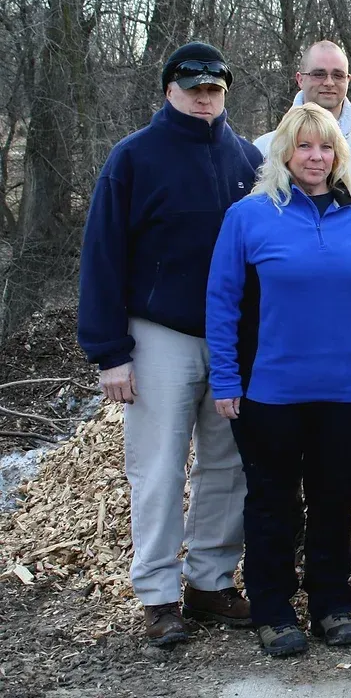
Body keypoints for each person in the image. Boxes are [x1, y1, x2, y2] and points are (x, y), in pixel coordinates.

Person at [206, 103, 351, 656]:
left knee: (334, 500)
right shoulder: (248, 217)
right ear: (284, 153)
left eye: (326, 148)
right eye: (304, 147)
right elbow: (223, 304)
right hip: (268, 393)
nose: (315, 157)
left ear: (340, 155)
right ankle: (273, 608)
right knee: (271, 504)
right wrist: (225, 379)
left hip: (347, 393)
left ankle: (332, 604)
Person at [77, 42, 258, 646]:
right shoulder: (134, 158)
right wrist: (110, 352)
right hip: (158, 334)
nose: (205, 96)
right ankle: (158, 594)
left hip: (232, 337)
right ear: (169, 88)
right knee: (156, 469)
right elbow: (102, 256)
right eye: (193, 85)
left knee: (227, 465)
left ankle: (210, 582)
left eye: (215, 87)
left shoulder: (248, 159)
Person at [254, 41, 351, 191]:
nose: (329, 82)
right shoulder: (263, 149)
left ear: (348, 80)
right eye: (319, 74)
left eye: (338, 75)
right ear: (300, 79)